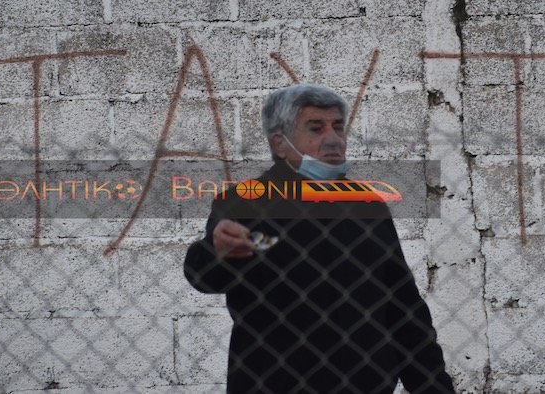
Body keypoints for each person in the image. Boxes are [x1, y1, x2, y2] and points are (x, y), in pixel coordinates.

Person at [184, 83, 456, 393]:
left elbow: (404, 310)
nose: (333, 139)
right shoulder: (245, 202)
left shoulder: (368, 207)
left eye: (338, 127)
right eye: (316, 128)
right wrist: (217, 253)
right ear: (280, 143)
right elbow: (204, 275)